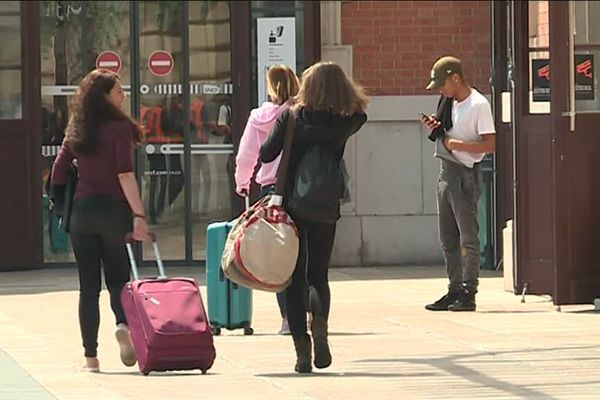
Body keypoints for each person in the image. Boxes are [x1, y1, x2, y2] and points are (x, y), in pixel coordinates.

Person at [260, 61, 368, 373]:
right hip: (325, 203)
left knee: (293, 279)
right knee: (318, 274)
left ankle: (302, 352)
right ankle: (320, 329)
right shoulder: (348, 120)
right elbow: (361, 111)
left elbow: (267, 153)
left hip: (292, 205)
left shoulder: (291, 115)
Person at [51, 69, 150, 372]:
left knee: (88, 287)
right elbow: (124, 174)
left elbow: (59, 169)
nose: (124, 96)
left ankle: (91, 358)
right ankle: (123, 324)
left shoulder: (77, 128)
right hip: (113, 212)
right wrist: (138, 215)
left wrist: (58, 203)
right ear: (105, 97)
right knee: (119, 279)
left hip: (82, 213)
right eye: (118, 91)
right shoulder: (120, 128)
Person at [421, 56, 496, 312]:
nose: (441, 90)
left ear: (456, 78)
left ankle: (468, 290)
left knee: (468, 238)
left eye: (443, 85)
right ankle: (453, 287)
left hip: (465, 172)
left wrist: (456, 144)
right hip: (446, 170)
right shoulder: (448, 102)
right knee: (447, 237)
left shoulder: (478, 104)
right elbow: (445, 132)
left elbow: (490, 144)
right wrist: (437, 129)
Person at [234, 64, 300, 335]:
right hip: (297, 187)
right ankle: (306, 311)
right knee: (300, 251)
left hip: (270, 189)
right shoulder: (299, 113)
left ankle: (286, 317)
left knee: (277, 255)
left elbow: (247, 154)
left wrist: (242, 183)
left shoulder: (258, 117)